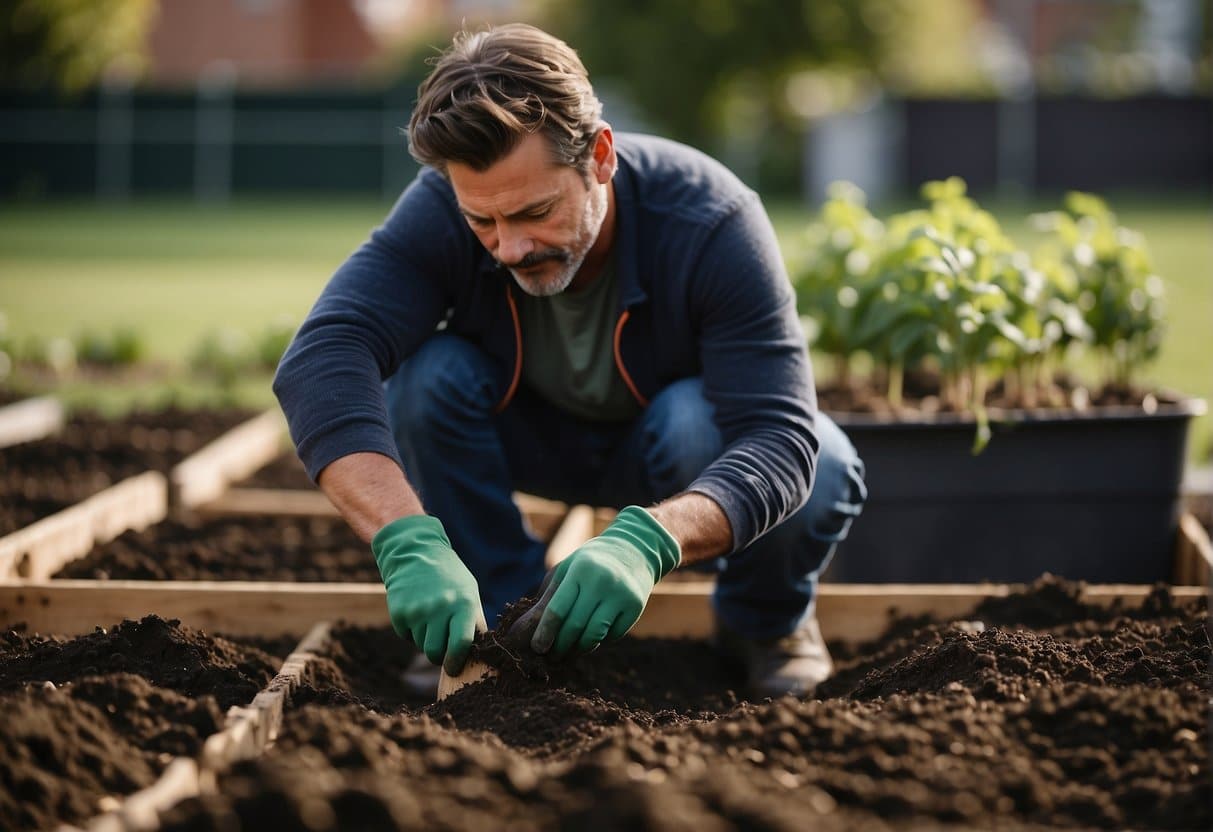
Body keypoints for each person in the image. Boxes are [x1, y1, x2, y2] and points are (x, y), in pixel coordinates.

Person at [274, 23, 867, 698]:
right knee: (426, 376)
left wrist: (650, 541)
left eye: (535, 212)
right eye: (483, 223)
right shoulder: (441, 208)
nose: (508, 248)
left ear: (601, 156)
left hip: (670, 451)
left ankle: (765, 626)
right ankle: (494, 624)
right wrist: (403, 539)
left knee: (819, 462)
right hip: (530, 437)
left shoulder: (711, 220)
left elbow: (781, 441)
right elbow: (321, 357)